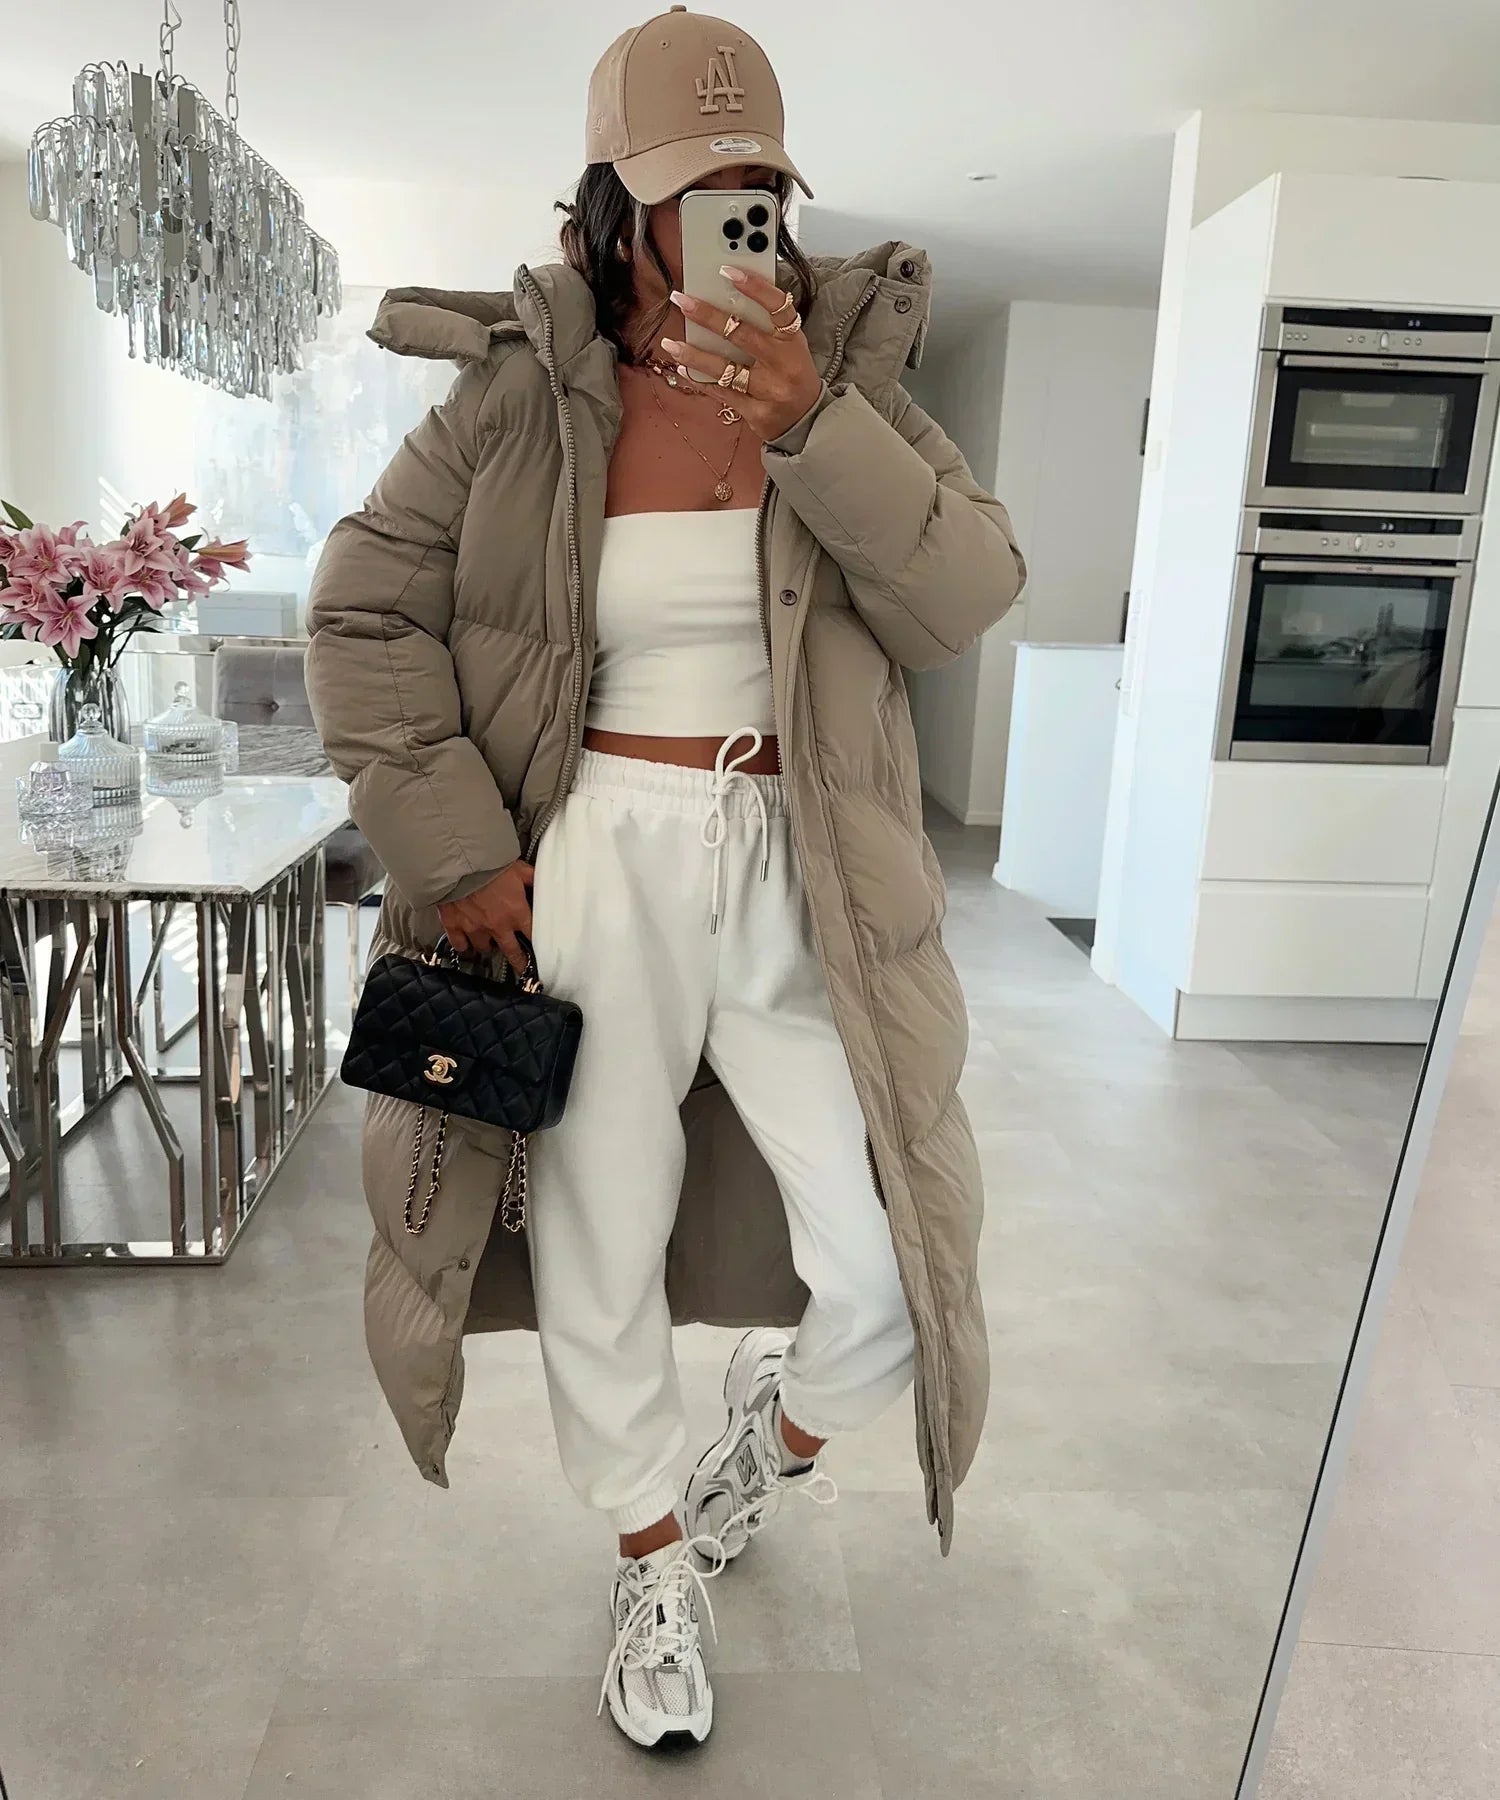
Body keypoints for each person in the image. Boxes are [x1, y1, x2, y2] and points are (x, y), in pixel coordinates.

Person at [306, 5, 1025, 1750]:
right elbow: (362, 611)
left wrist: (811, 422)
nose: (735, 222)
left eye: (758, 188)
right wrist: (463, 850)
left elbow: (966, 595)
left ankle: (768, 1436)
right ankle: (647, 1556)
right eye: (698, 193)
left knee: (891, 1270)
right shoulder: (516, 396)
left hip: (806, 860)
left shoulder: (849, 380)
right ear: (615, 206)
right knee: (597, 1235)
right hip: (600, 850)